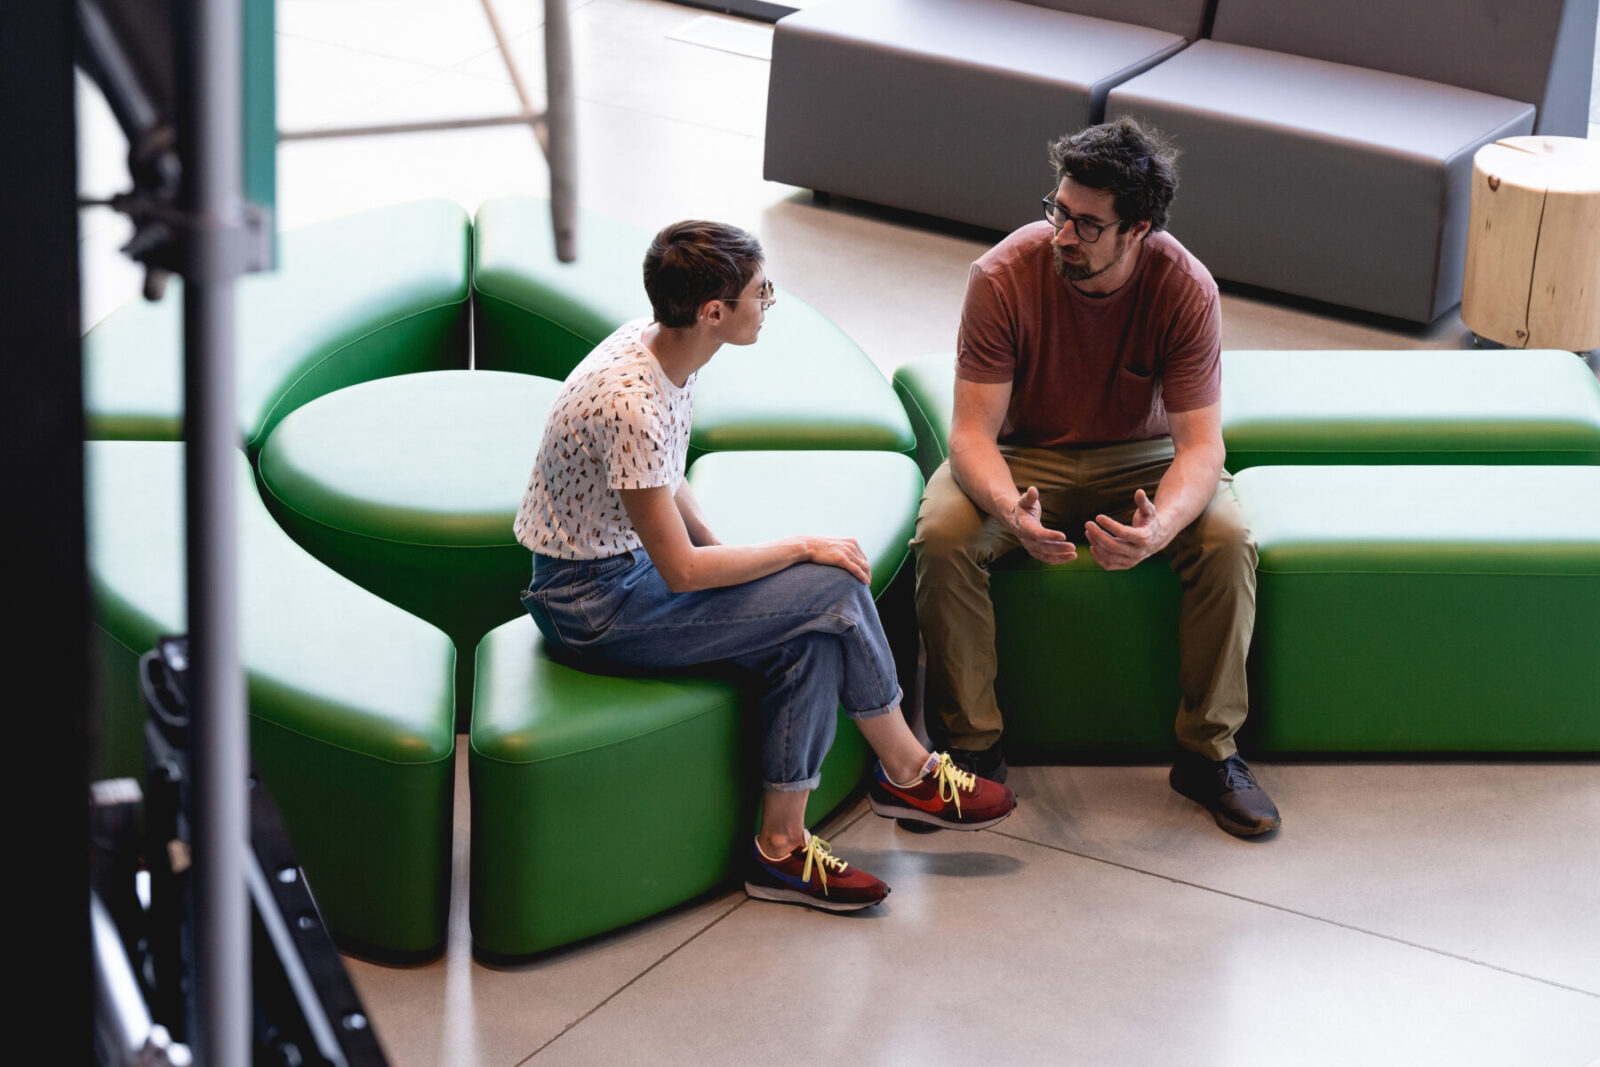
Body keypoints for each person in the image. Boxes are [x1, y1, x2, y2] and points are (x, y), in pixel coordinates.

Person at [515, 220, 1016, 912]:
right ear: (713, 312)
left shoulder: (661, 351)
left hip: (626, 570)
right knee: (833, 587)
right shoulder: (631, 399)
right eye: (762, 291)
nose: (769, 301)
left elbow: (658, 479)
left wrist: (731, 555)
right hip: (593, 604)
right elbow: (685, 572)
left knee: (807, 634)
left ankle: (778, 850)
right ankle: (907, 766)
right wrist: (797, 547)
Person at [911, 118, 1281, 837]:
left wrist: (1160, 527)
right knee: (944, 534)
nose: (1063, 234)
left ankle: (1209, 753)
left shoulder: (1185, 288)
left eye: (1087, 224)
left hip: (1139, 458)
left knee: (1228, 539)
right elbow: (970, 434)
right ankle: (973, 747)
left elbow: (1201, 447)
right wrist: (1009, 510)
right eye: (1058, 210)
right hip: (1023, 455)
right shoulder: (1001, 276)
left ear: (1137, 228)